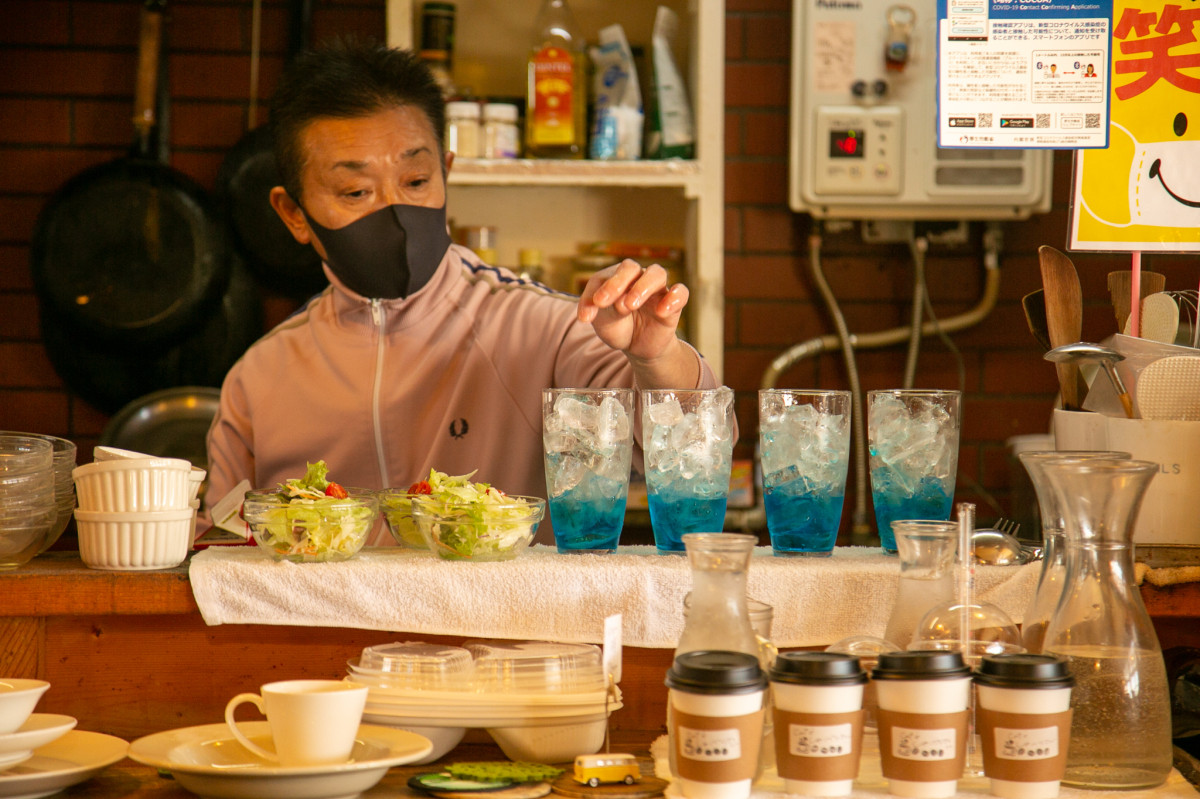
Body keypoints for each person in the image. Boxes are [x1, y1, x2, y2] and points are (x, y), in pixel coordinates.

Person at [204, 39, 723, 544]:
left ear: (447, 173)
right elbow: (222, 554)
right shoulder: (259, 379)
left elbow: (688, 451)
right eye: (356, 192)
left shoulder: (541, 328)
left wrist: (656, 358)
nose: (395, 211)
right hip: (316, 634)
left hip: (504, 633)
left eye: (416, 181)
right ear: (293, 213)